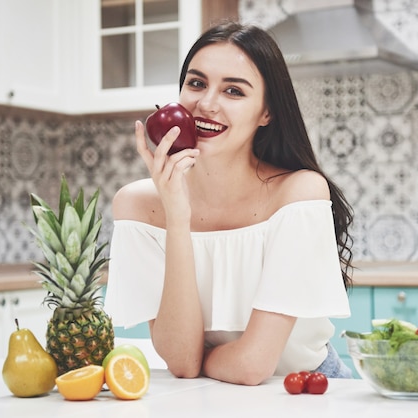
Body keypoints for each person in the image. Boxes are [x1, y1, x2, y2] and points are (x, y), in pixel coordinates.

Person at [104, 22, 355, 386]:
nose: (206, 103)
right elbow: (180, 361)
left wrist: (198, 357)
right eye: (196, 83)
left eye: (233, 91)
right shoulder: (138, 206)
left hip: (305, 387)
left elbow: (253, 366)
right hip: (212, 391)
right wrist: (177, 216)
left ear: (266, 112)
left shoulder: (299, 193)